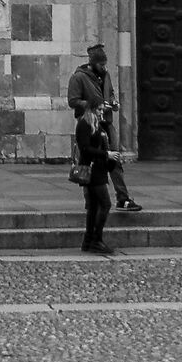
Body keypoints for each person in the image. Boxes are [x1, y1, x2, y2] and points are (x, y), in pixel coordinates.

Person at [65, 43, 139, 211]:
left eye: (105, 64)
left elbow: (110, 92)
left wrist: (112, 103)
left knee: (114, 159)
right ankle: (90, 201)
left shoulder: (105, 75)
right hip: (89, 122)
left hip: (106, 121)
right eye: (101, 64)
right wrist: (94, 105)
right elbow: (73, 101)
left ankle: (122, 197)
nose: (104, 67)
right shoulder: (78, 77)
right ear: (92, 63)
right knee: (87, 160)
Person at [74, 107, 114, 256]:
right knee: (105, 204)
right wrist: (106, 154)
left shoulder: (98, 123)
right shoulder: (84, 124)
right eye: (99, 108)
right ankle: (96, 239)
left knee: (94, 207)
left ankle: (89, 240)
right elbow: (85, 148)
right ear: (91, 108)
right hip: (92, 171)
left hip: (99, 169)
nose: (101, 111)